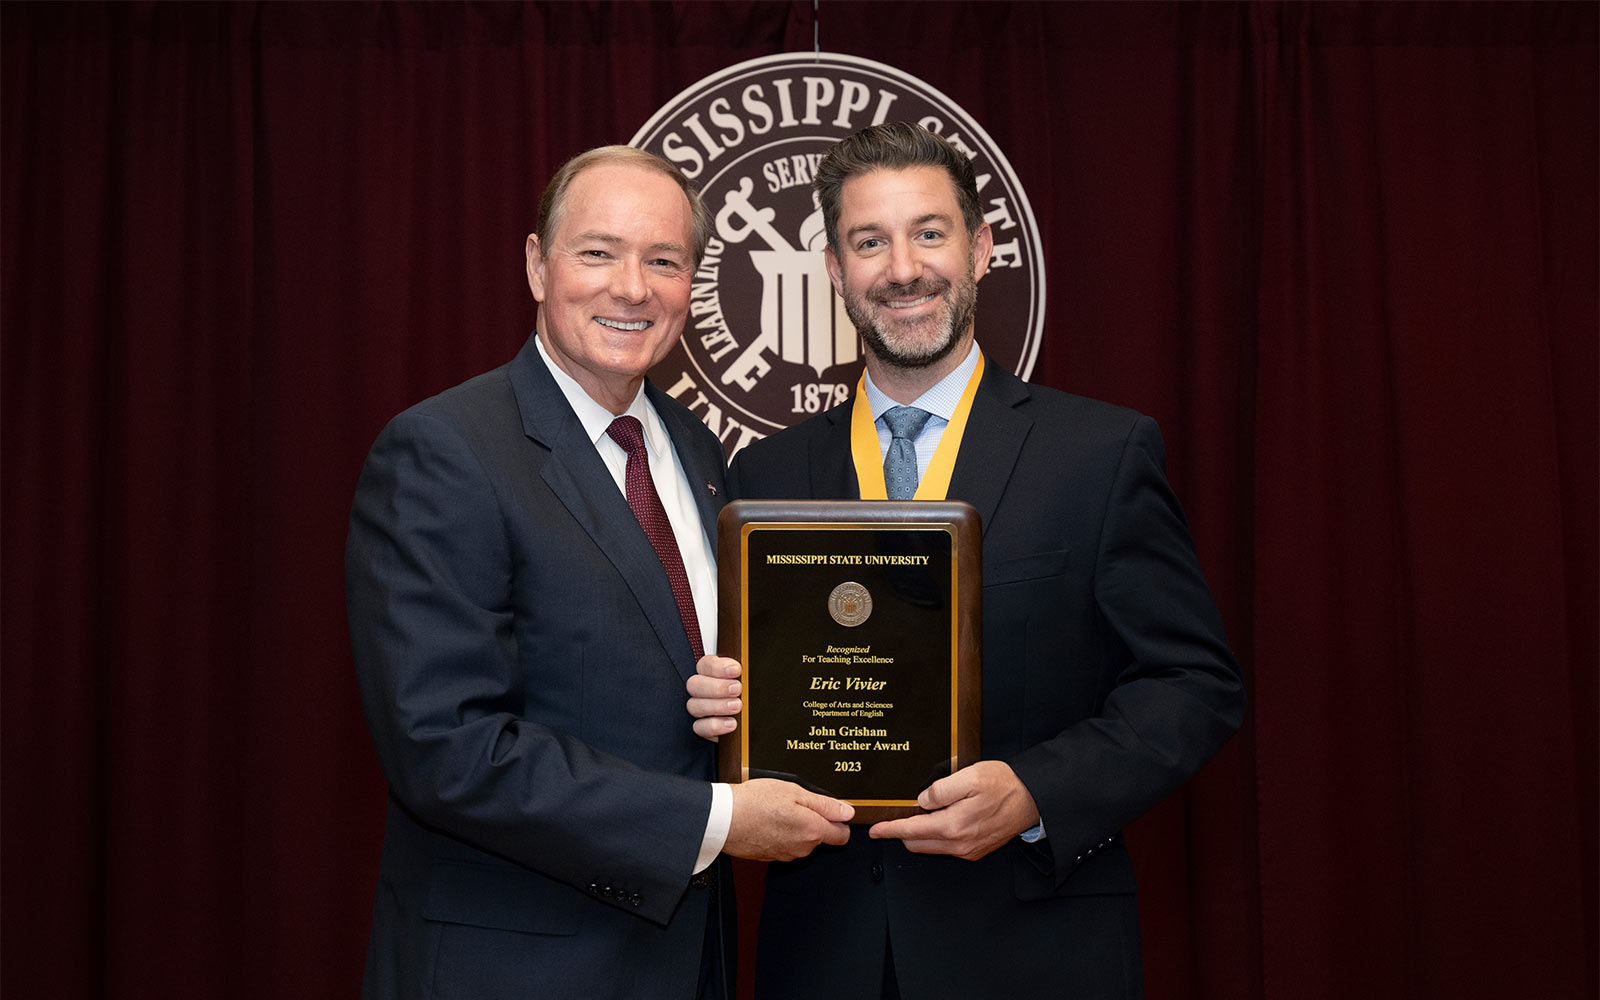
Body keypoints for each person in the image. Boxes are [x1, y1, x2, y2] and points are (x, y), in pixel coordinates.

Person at [687, 123, 1246, 999]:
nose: (903, 267)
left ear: (983, 249)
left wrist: (1036, 793)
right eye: (869, 241)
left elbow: (1194, 685)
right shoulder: (766, 477)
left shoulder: (1098, 452)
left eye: (930, 232)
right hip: (824, 955)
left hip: (1037, 949)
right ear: (835, 270)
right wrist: (725, 703)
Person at [347, 145, 853, 1000]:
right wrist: (721, 821)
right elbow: (448, 749)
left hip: (689, 959)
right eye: (598, 252)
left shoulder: (695, 453)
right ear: (539, 266)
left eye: (664, 261)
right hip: (516, 969)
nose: (632, 287)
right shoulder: (444, 451)